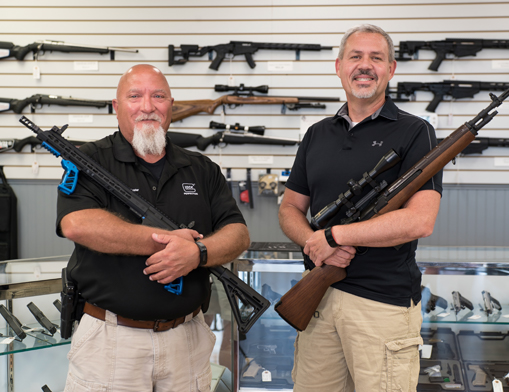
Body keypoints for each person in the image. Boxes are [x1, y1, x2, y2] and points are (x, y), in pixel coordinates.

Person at [57, 64, 250, 392]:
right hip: (110, 342)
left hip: (186, 341)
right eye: (135, 96)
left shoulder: (202, 169)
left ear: (170, 106)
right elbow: (77, 224)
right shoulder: (89, 160)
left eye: (158, 96)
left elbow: (238, 233)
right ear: (117, 108)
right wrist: (166, 242)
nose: (147, 106)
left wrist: (197, 253)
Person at [278, 24, 442, 392]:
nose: (364, 65)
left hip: (381, 307)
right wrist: (314, 242)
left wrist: (335, 236)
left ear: (391, 69)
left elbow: (420, 220)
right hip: (318, 299)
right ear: (338, 67)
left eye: (376, 58)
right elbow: (289, 206)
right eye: (355, 56)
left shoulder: (415, 132)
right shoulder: (317, 134)